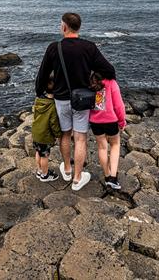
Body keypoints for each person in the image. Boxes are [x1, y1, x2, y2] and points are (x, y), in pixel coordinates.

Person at [35, 12, 115, 191]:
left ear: (64, 27)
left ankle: (67, 170)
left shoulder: (54, 47)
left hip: (61, 99)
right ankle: (78, 179)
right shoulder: (89, 47)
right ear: (79, 27)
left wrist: (39, 92)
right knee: (80, 138)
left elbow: (42, 74)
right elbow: (109, 69)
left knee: (65, 134)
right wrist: (97, 79)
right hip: (83, 100)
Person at [89, 72, 126, 190]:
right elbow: (119, 105)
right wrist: (122, 121)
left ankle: (107, 176)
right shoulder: (111, 82)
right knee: (115, 145)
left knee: (102, 148)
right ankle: (113, 178)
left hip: (95, 121)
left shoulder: (90, 80)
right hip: (111, 120)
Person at [32, 73, 61, 182]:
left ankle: (39, 170)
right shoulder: (52, 105)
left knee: (38, 152)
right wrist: (58, 134)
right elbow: (53, 123)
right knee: (44, 155)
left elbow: (35, 115)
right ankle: (45, 175)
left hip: (36, 132)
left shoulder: (38, 100)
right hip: (44, 135)